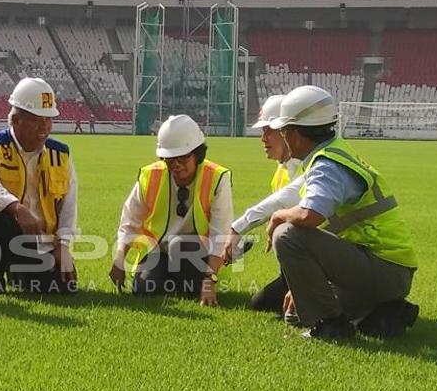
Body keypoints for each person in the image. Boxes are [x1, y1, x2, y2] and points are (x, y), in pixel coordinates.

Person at [265, 85, 419, 340]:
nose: (281, 135)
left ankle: (332, 326)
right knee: (294, 314)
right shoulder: (335, 152)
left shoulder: (327, 165)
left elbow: (309, 217)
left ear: (295, 133)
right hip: (386, 266)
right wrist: (303, 285)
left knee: (286, 234)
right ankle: (387, 311)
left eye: (282, 130)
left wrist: (278, 216)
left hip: (384, 268)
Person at [0, 78, 78, 298]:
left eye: (48, 121)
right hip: (1, 229)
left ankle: (18, 271)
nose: (44, 129)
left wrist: (63, 245)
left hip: (43, 241)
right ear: (16, 120)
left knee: (61, 288)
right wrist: (17, 209)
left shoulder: (61, 154)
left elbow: (69, 204)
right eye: (37, 121)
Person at [109, 115, 233, 303]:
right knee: (144, 289)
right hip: (159, 251)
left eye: (182, 158)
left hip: (199, 253)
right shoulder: (151, 176)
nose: (175, 165)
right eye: (169, 159)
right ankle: (176, 283)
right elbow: (129, 221)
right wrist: (119, 261)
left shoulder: (216, 178)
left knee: (179, 246)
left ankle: (196, 285)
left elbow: (220, 234)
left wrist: (210, 280)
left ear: (197, 154)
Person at [222, 95, 302, 314]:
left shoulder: (311, 166)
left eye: (269, 131)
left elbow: (288, 199)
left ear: (287, 131)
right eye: (262, 132)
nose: (263, 139)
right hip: (300, 263)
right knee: (263, 303)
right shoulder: (281, 171)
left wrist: (238, 227)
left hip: (325, 263)